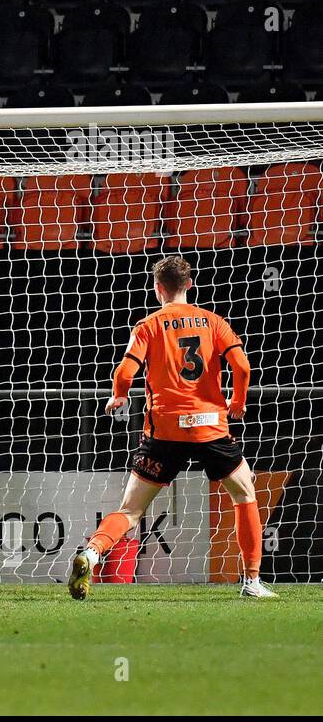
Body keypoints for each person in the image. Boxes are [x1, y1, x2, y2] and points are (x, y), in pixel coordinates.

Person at [68, 255, 275, 599]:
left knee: (130, 511)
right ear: (189, 285)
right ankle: (251, 581)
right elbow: (242, 365)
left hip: (164, 430)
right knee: (244, 493)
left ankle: (91, 554)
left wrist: (119, 396)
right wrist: (237, 402)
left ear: (157, 288)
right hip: (210, 426)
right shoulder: (213, 322)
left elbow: (124, 372)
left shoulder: (148, 325)